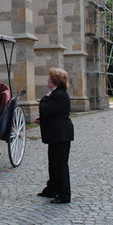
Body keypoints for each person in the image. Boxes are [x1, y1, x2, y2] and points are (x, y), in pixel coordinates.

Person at [34, 67, 74, 204]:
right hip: (57, 134)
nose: (47, 80)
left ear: (54, 81)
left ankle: (64, 195)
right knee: (53, 164)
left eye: (49, 78)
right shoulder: (56, 94)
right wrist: (43, 119)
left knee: (61, 165)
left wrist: (45, 98)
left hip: (61, 134)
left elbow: (45, 109)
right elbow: (53, 112)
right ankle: (52, 189)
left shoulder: (58, 95)